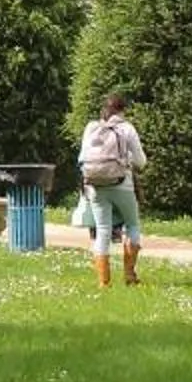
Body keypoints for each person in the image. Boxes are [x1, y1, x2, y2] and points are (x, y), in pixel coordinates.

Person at [77, 94, 147, 287]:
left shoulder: (91, 128)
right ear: (122, 110)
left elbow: (81, 158)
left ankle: (103, 282)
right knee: (132, 225)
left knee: (103, 231)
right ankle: (129, 276)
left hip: (95, 186)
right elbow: (141, 162)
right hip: (122, 184)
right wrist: (126, 160)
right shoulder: (127, 129)